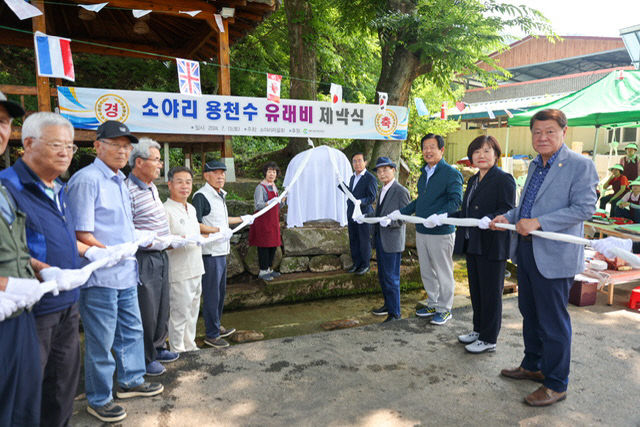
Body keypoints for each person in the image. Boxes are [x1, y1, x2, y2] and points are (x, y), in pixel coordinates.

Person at [491, 108, 598, 407]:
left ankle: (556, 383)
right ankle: (533, 365)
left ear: (564, 132)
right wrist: (507, 216)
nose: (542, 137)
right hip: (526, 250)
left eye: (549, 131)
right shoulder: (535, 165)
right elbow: (526, 207)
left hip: (554, 254)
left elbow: (584, 208)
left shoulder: (580, 165)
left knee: (553, 322)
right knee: (530, 313)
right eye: (537, 132)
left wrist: (538, 223)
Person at [0, 112, 95, 426]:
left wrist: (92, 252)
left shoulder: (59, 188)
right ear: (28, 144)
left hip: (67, 301)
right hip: (29, 311)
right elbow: (13, 250)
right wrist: (36, 274)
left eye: (70, 147)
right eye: (57, 145)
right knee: (25, 395)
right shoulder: (10, 187)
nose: (65, 152)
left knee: (62, 385)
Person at [66, 121, 163, 423]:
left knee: (131, 330)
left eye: (126, 146)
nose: (122, 151)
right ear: (97, 146)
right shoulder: (87, 180)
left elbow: (120, 226)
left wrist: (141, 237)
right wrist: (108, 252)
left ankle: (131, 380)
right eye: (115, 145)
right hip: (100, 276)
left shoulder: (120, 180)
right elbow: (82, 234)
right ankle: (98, 398)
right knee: (101, 339)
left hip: (125, 272)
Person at [0, 92, 54, 426]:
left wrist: (41, 269)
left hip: (17, 315)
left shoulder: (3, 189)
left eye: (3, 122)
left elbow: (12, 246)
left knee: (23, 405)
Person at [451, 135, 516, 354]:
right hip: (473, 243)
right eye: (477, 151)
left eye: (487, 150)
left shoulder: (504, 179)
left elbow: (508, 210)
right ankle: (478, 330)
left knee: (491, 293)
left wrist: (490, 217)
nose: (482, 155)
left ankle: (489, 338)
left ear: (496, 155)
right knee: (476, 290)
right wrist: (445, 216)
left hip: (492, 244)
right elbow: (467, 212)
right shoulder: (473, 180)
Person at [390, 133, 463, 325]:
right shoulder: (424, 174)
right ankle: (433, 302)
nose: (428, 151)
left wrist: (439, 217)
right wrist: (400, 212)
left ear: (442, 150)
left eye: (432, 147)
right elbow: (420, 201)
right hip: (423, 230)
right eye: (425, 148)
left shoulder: (451, 173)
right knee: (427, 271)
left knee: (443, 271)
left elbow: (456, 201)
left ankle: (445, 309)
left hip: (441, 232)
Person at [126, 138, 179, 377]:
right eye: (157, 160)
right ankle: (145, 358)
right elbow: (126, 228)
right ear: (139, 162)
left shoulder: (152, 187)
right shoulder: (128, 189)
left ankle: (158, 347)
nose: (160, 165)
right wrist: (150, 240)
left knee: (161, 305)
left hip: (161, 253)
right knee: (146, 308)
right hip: (143, 257)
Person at [192, 160, 251, 348]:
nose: (221, 177)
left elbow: (222, 219)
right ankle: (211, 334)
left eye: (223, 173)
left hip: (221, 251)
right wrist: (217, 230)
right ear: (206, 176)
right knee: (211, 295)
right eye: (216, 173)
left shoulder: (219, 195)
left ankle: (217, 326)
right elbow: (196, 223)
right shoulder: (201, 196)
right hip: (209, 253)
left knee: (220, 293)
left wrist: (243, 219)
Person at [360, 157, 409, 322]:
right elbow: (379, 214)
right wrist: (365, 217)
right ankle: (388, 305)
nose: (382, 174)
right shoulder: (382, 190)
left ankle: (395, 313)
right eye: (379, 171)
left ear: (393, 170)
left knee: (391, 277)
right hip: (380, 238)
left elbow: (405, 216)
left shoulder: (400, 191)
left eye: (385, 170)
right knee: (383, 276)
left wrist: (391, 221)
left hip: (392, 241)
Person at [164, 167, 205, 353]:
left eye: (188, 182)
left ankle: (190, 344)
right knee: (179, 313)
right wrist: (181, 241)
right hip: (179, 271)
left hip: (197, 267)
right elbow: (162, 243)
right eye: (179, 181)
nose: (185, 186)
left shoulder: (192, 208)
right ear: (169, 184)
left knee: (193, 310)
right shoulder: (165, 210)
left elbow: (196, 231)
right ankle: (177, 349)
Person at [248, 161, 285, 281]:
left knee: (273, 245)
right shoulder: (260, 187)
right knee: (264, 246)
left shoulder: (274, 187)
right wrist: (270, 201)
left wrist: (282, 201)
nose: (272, 174)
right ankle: (263, 271)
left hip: (273, 221)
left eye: (274, 172)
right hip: (263, 221)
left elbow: (277, 206)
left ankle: (269, 269)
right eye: (269, 171)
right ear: (265, 173)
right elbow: (259, 205)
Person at [343, 152, 377, 275]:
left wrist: (360, 202)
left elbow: (372, 197)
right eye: (354, 161)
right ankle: (356, 263)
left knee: (364, 240)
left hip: (364, 214)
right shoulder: (352, 178)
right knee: (354, 239)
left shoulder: (370, 178)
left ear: (365, 162)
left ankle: (365, 265)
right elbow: (352, 194)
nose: (357, 163)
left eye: (359, 160)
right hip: (351, 213)